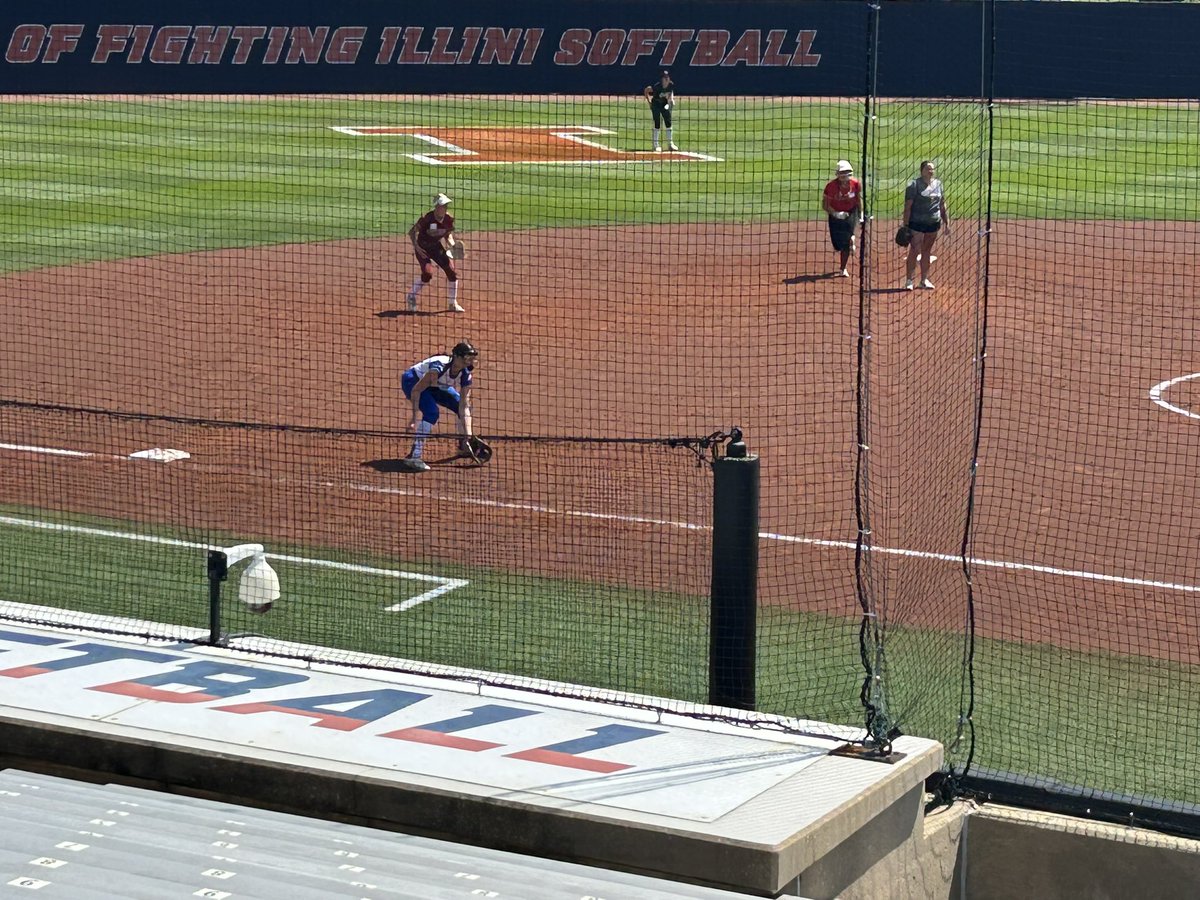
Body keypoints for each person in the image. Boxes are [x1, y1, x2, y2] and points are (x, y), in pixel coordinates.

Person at [398, 341, 478, 472]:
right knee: (431, 413)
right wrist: (414, 418)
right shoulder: (438, 368)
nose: (469, 361)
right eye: (466, 357)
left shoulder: (465, 374)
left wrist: (468, 436)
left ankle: (463, 446)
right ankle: (414, 456)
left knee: (459, 405)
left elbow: (464, 406)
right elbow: (416, 390)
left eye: (471, 357)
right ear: (456, 357)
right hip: (413, 381)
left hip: (437, 385)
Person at [406, 193, 464, 313]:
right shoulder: (427, 218)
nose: (444, 208)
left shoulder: (449, 219)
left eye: (446, 205)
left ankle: (452, 303)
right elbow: (412, 232)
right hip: (423, 248)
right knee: (427, 274)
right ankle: (411, 296)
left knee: (452, 272)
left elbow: (447, 234)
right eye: (442, 205)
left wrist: (452, 245)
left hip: (436, 247)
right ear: (436, 206)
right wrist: (416, 246)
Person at [902, 160, 950, 290]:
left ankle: (924, 280)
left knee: (927, 251)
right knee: (915, 249)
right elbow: (908, 206)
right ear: (922, 170)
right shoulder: (914, 185)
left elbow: (942, 204)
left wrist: (947, 223)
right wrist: (905, 225)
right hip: (916, 223)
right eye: (928, 169)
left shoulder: (938, 184)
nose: (931, 171)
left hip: (933, 223)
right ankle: (909, 281)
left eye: (932, 169)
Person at [822, 159, 862, 277]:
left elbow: (858, 200)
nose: (845, 176)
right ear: (838, 174)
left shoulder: (855, 184)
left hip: (850, 213)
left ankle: (843, 268)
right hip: (835, 216)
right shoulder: (830, 186)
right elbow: (825, 205)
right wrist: (836, 214)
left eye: (847, 173)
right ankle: (850, 239)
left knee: (845, 243)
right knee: (837, 244)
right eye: (842, 173)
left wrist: (860, 214)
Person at [642, 69, 678, 152]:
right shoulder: (657, 86)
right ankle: (655, 145)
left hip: (664, 104)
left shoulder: (671, 84)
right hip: (656, 105)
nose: (666, 79)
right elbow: (646, 90)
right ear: (661, 79)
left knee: (668, 122)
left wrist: (671, 99)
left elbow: (671, 91)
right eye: (664, 78)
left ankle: (670, 144)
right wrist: (649, 102)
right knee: (657, 123)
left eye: (667, 77)